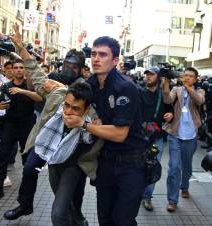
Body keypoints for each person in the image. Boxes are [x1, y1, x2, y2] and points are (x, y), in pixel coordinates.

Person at [63, 36, 148, 226]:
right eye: (93, 54)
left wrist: (84, 124)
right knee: (105, 219)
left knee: (123, 221)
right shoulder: (90, 84)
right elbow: (71, 100)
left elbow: (120, 134)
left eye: (102, 55)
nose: (96, 59)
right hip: (104, 163)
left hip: (131, 165)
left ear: (115, 60)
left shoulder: (125, 87)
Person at [3, 82, 94, 223]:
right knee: (30, 169)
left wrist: (85, 126)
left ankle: (78, 218)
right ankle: (26, 205)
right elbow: (40, 79)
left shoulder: (91, 126)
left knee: (60, 212)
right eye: (66, 105)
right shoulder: (57, 105)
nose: (68, 112)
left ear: (87, 109)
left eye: (75, 109)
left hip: (73, 166)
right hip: (51, 160)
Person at [0, 59, 42, 199]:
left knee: (28, 159)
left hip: (27, 126)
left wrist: (22, 91)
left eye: (21, 67)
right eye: (16, 67)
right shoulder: (6, 86)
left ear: (25, 70)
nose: (18, 70)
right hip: (9, 125)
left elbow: (40, 98)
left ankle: (27, 189)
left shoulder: (30, 85)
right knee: (3, 156)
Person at [162, 67, 205, 212]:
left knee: (187, 166)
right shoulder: (177, 90)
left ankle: (184, 186)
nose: (187, 78)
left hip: (191, 136)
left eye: (190, 76)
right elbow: (167, 99)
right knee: (174, 167)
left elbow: (199, 101)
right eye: (185, 75)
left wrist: (186, 86)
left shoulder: (200, 91)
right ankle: (172, 200)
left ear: (195, 79)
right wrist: (166, 83)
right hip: (175, 135)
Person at [141, 66, 174, 211]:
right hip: (139, 138)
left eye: (151, 74)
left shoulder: (164, 95)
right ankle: (135, 193)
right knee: (137, 166)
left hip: (157, 138)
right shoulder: (138, 91)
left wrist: (170, 115)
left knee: (153, 166)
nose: (148, 76)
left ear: (158, 77)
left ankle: (147, 197)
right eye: (146, 74)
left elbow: (170, 111)